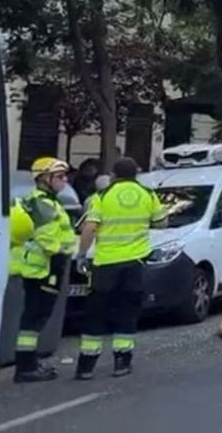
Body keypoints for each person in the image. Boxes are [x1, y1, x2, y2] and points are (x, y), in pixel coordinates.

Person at [74, 157, 165, 379]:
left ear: (114, 175)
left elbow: (90, 227)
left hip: (105, 265)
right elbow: (162, 222)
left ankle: (86, 366)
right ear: (136, 174)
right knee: (128, 312)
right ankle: (122, 363)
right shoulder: (148, 194)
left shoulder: (102, 196)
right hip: (135, 264)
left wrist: (82, 255)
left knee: (95, 314)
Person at [8, 157, 78, 382]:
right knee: (34, 318)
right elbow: (48, 239)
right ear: (44, 179)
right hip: (43, 269)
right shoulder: (43, 204)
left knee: (34, 318)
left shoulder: (46, 201)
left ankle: (28, 362)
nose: (64, 181)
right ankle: (26, 366)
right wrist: (61, 254)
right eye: (59, 177)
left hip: (42, 268)